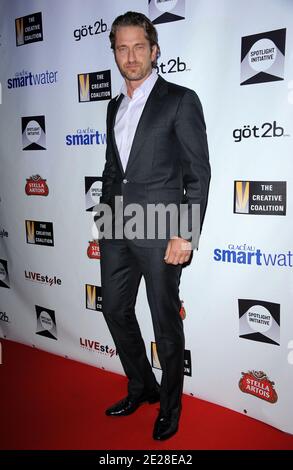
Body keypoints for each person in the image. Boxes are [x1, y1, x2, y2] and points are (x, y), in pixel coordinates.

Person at [98, 11, 210, 441]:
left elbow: (198, 173)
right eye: (122, 48)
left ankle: (170, 405)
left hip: (164, 230)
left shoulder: (180, 100)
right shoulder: (113, 106)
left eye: (139, 47)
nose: (131, 56)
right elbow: (113, 168)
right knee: (113, 309)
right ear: (115, 53)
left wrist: (186, 233)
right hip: (116, 227)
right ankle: (142, 385)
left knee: (165, 321)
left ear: (154, 50)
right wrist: (104, 216)